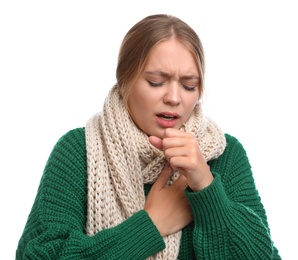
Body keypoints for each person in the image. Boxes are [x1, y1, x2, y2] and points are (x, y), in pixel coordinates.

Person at [16, 14, 281, 259]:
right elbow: (38, 255)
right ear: (124, 82)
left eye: (189, 85)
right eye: (156, 81)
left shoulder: (224, 154)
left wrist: (206, 185)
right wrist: (151, 225)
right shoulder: (78, 151)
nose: (174, 98)